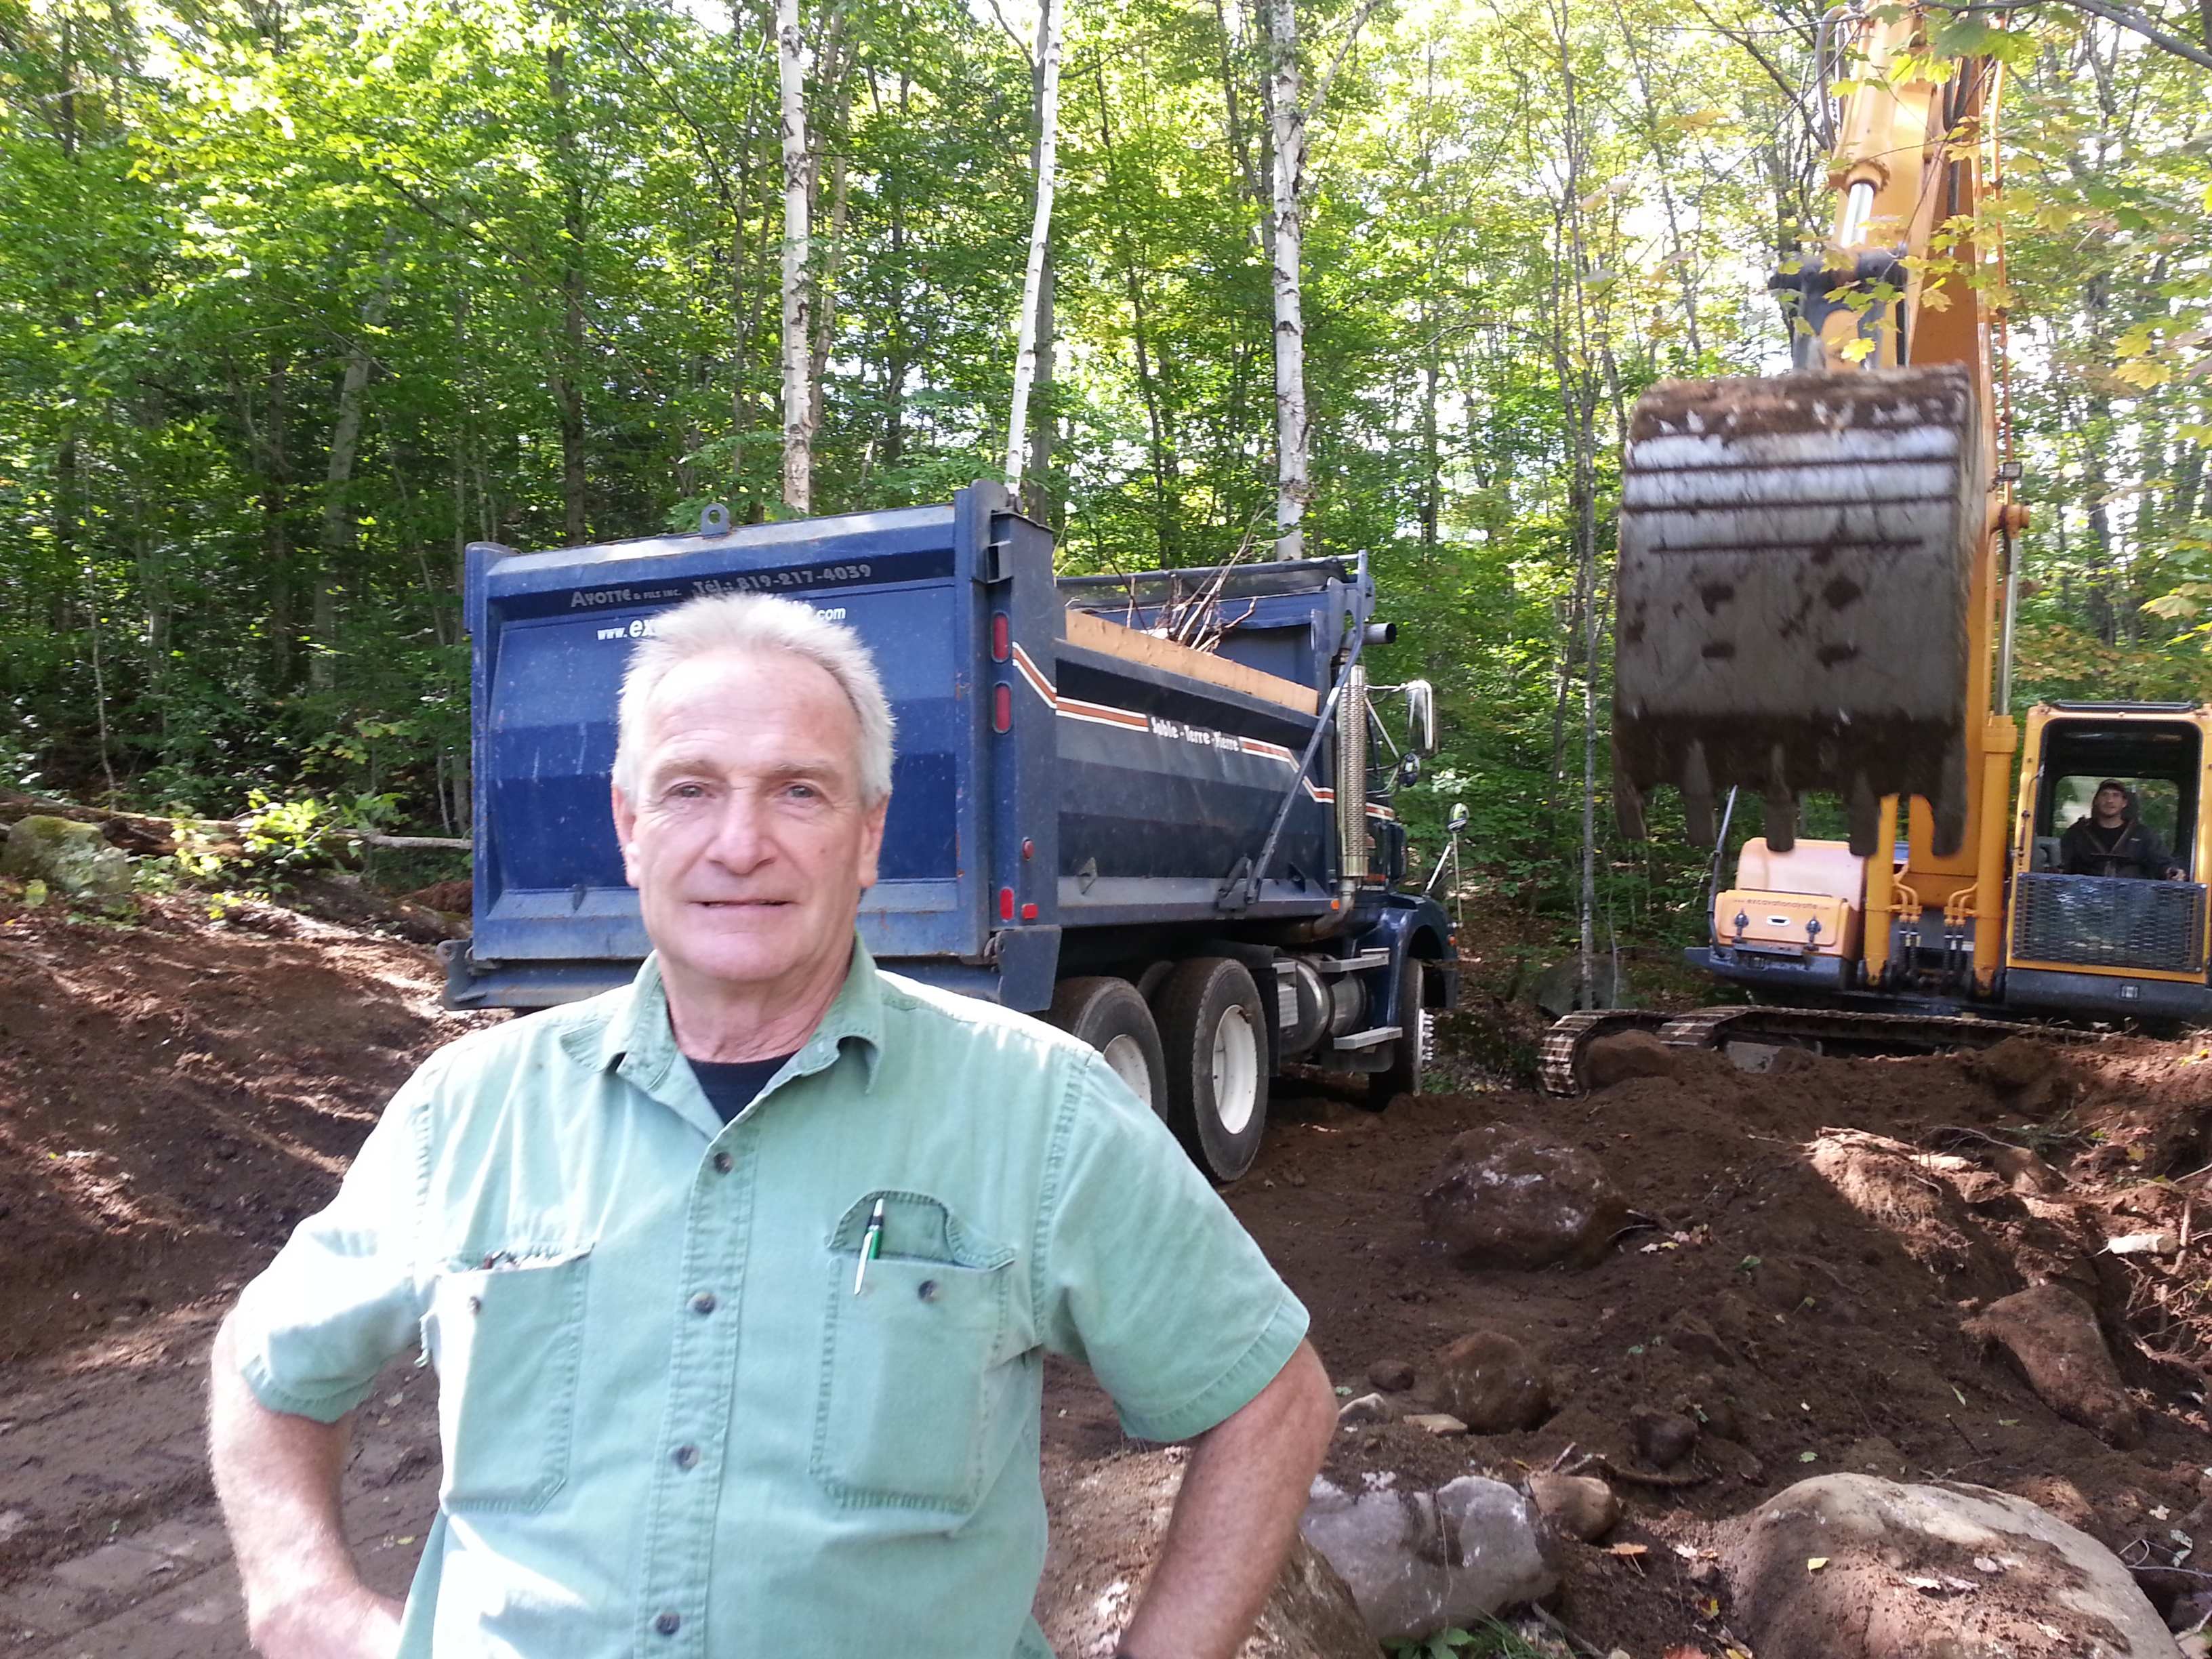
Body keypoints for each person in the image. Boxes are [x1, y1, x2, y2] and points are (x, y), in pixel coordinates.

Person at [207, 592, 1338, 1659]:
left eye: (798, 791)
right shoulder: (466, 1112)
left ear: (868, 833)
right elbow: (269, 1367)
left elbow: (1269, 1401)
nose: (739, 843)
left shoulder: (1038, 1111)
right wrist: (303, 1599)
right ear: (630, 826)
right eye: (689, 789)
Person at [2060, 779, 2185, 881]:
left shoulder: (2143, 834)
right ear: (2096, 801)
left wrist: (2171, 872)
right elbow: (2061, 862)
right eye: (2104, 795)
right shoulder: (2077, 833)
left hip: (2132, 897)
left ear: (2124, 803)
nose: (2110, 800)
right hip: (2085, 895)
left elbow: (2162, 862)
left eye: (2116, 795)